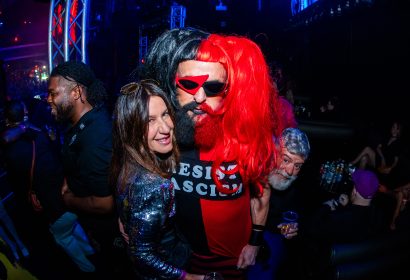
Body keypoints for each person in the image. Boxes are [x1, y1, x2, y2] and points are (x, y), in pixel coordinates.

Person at [140, 28, 289, 279]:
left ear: (228, 91)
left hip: (234, 261)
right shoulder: (161, 138)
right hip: (182, 258)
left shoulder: (243, 139)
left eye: (213, 87)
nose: (199, 96)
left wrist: (255, 241)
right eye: (188, 84)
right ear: (171, 85)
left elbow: (261, 194)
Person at [111, 80, 204, 280]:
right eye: (149, 121)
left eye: (165, 114)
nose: (165, 127)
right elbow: (142, 254)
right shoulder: (154, 185)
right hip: (167, 265)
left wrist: (127, 220)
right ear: (131, 128)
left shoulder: (128, 162)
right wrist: (187, 277)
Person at [47, 61, 129, 278]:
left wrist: (69, 199)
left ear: (75, 92)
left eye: (53, 93)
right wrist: (69, 177)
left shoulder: (95, 136)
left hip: (109, 232)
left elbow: (104, 203)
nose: (48, 99)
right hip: (93, 226)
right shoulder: (83, 123)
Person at [1, 100, 96, 273]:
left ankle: (88, 269)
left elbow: (19, 185)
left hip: (51, 205)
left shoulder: (10, 150)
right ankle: (92, 254)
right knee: (73, 224)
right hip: (68, 193)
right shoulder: (40, 132)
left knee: (63, 237)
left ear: (7, 120)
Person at [248, 127, 310, 280]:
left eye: (298, 166)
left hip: (272, 244)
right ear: (273, 152)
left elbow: (299, 217)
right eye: (286, 159)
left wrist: (294, 228)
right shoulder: (253, 169)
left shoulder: (297, 186)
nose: (290, 171)